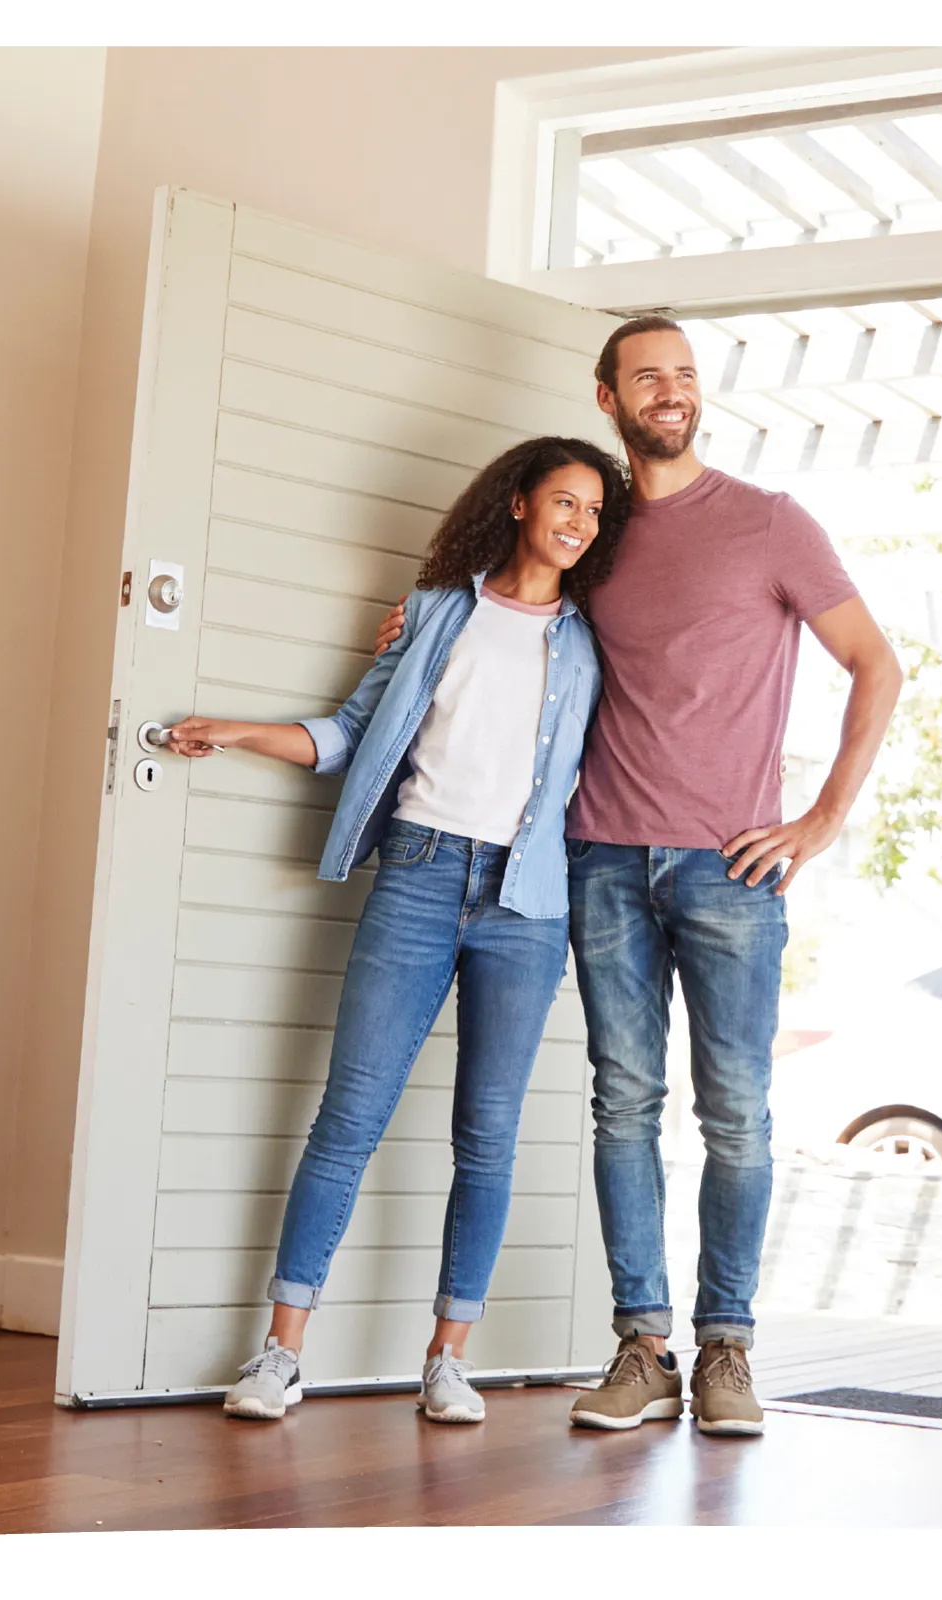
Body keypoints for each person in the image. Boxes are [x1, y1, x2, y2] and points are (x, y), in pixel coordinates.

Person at [373, 318, 903, 1437]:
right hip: (599, 857)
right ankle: (643, 1347)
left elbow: (874, 662)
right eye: (646, 377)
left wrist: (818, 819)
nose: (670, 391)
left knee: (738, 1116)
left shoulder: (769, 523)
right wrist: (421, 625)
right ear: (608, 397)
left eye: (685, 376)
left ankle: (726, 1350)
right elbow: (514, 603)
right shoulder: (597, 534)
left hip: (728, 867)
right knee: (623, 1106)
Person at [169, 436, 628, 1425]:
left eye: (593, 512)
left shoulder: (597, 640)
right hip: (417, 878)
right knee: (348, 1120)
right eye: (562, 501)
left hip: (527, 905)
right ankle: (280, 1354)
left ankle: (447, 1359)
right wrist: (238, 730)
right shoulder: (432, 615)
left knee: (487, 1138)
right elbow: (344, 736)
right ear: (517, 503)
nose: (577, 523)